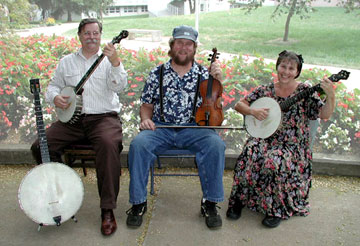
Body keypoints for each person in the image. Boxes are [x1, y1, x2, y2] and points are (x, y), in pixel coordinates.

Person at [30, 18, 127, 236]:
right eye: (87, 33)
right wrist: (55, 97)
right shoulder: (66, 62)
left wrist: (115, 62)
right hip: (72, 120)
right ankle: (61, 192)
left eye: (96, 33)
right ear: (79, 36)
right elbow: (53, 86)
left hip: (103, 118)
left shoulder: (109, 60)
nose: (91, 37)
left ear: (101, 36)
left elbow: (120, 85)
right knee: (40, 146)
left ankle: (107, 210)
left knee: (109, 144)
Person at [126, 25, 226, 229]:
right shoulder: (157, 73)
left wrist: (218, 81)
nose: (183, 47)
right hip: (161, 127)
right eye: (179, 43)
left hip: (194, 128)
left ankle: (210, 203)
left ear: (194, 48)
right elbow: (146, 106)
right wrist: (145, 120)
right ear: (172, 46)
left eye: (188, 44)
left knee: (216, 145)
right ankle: (138, 203)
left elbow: (215, 110)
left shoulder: (204, 74)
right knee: (138, 144)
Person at [226, 50, 336, 228]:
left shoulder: (306, 92)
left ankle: (276, 208)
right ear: (277, 67)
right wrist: (253, 111)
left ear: (297, 72)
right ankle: (239, 200)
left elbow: (325, 114)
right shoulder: (267, 90)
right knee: (250, 152)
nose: (286, 71)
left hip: (292, 145)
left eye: (291, 68)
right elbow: (240, 104)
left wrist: (330, 94)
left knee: (274, 160)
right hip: (266, 138)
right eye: (283, 66)